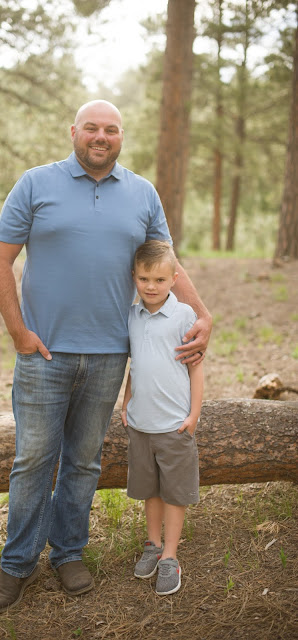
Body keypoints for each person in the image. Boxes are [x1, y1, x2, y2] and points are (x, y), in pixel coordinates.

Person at [0, 100, 211, 613]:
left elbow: (168, 264)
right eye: (91, 127)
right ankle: (17, 564)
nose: (101, 136)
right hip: (44, 354)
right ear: (74, 132)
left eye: (111, 129)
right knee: (33, 461)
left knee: (83, 462)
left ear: (121, 137)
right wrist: (19, 332)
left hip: (111, 354)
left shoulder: (142, 193)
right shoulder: (35, 184)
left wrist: (203, 313)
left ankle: (68, 553)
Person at [121, 240, 204, 596]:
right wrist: (126, 400)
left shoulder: (184, 316)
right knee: (150, 490)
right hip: (141, 424)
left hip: (174, 425)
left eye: (159, 279)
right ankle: (153, 545)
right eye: (144, 279)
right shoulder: (132, 316)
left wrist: (194, 414)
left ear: (173, 279)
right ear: (134, 277)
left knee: (174, 492)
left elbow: (196, 368)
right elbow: (136, 364)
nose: (151, 286)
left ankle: (170, 555)